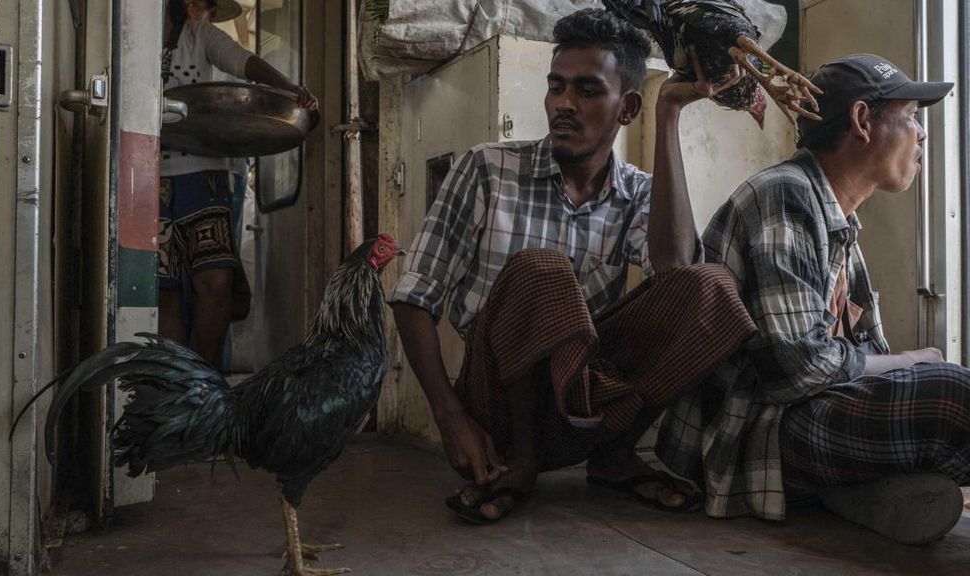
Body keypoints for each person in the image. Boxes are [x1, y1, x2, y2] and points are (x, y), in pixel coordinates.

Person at [389, 8, 756, 524]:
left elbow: (676, 277)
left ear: (628, 108)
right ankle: (521, 461)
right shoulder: (486, 169)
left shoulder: (638, 193)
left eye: (587, 91)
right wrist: (450, 418)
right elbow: (413, 296)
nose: (563, 104)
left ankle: (612, 456)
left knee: (713, 287)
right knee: (543, 270)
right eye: (555, 86)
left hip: (585, 408)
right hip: (495, 404)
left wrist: (670, 109)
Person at [656, 53, 967, 545]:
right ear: (863, 121)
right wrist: (911, 361)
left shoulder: (837, 221)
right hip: (752, 436)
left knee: (933, 392)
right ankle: (845, 488)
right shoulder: (784, 195)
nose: (920, 134)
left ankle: (850, 493)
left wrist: (901, 366)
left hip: (804, 417)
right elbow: (801, 366)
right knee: (953, 397)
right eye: (910, 117)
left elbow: (854, 358)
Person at [158, 0, 316, 365]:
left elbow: (243, 60)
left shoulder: (201, 36)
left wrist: (290, 88)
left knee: (215, 285)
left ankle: (207, 382)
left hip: (203, 177)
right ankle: (174, 388)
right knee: (164, 291)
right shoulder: (140, 38)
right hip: (151, 178)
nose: (199, 9)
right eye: (194, 3)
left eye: (206, 5)